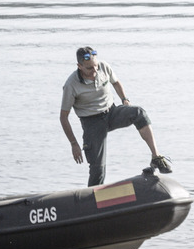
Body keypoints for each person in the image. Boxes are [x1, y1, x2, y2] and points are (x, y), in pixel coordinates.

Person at [60, 47, 172, 187]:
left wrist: (124, 99)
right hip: (92, 123)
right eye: (89, 68)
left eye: (95, 66)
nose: (94, 71)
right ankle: (92, 200)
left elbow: (116, 82)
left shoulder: (103, 67)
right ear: (79, 66)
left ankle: (156, 156)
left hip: (111, 112)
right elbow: (63, 117)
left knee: (139, 113)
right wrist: (73, 144)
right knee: (98, 169)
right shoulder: (71, 84)